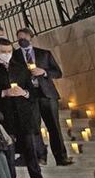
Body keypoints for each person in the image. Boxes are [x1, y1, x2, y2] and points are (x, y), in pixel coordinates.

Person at [0, 38, 59, 178]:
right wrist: (3, 93)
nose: (7, 54)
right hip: (5, 116)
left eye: (9, 51)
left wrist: (25, 93)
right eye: (3, 52)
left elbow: (32, 90)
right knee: (9, 152)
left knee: (31, 152)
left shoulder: (20, 68)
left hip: (24, 115)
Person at [14, 28, 72, 165]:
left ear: (30, 37)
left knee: (54, 127)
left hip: (47, 94)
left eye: (24, 37)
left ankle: (61, 157)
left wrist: (44, 72)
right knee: (35, 127)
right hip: (29, 95)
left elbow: (58, 72)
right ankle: (41, 156)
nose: (21, 40)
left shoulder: (44, 53)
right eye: (19, 38)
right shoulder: (15, 56)